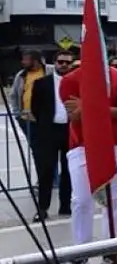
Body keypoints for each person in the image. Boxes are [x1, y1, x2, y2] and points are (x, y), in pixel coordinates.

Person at [59, 47, 117, 264]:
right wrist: (103, 110)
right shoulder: (70, 80)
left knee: (115, 198)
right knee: (82, 200)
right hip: (82, 145)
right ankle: (80, 252)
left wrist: (90, 107)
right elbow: (75, 115)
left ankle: (111, 248)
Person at [28, 50, 74, 220]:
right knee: (46, 171)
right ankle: (42, 208)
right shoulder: (41, 83)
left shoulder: (77, 82)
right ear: (54, 63)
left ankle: (65, 206)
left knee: (69, 170)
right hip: (48, 131)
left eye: (67, 62)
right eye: (60, 61)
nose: (63, 65)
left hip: (70, 131)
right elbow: (35, 108)